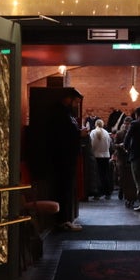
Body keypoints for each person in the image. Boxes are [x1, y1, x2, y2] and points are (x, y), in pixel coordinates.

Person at [50, 91, 84, 231]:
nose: (76, 105)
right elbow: (63, 135)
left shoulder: (66, 114)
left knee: (66, 188)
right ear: (68, 99)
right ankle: (62, 220)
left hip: (66, 156)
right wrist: (79, 133)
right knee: (63, 189)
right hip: (62, 157)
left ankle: (65, 219)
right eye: (75, 101)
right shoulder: (60, 114)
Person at [89, 119, 113, 200]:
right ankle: (107, 193)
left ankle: (98, 193)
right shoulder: (106, 132)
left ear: (95, 124)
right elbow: (109, 144)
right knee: (105, 174)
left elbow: (92, 144)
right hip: (106, 156)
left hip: (97, 155)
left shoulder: (93, 132)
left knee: (97, 176)